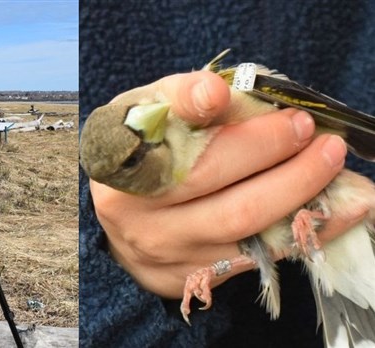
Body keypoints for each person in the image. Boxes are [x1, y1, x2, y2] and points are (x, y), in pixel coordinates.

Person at [79, 1, 375, 347]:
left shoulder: (227, 84)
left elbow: (305, 104)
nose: (150, 120)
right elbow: (251, 245)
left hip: (344, 210)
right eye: (136, 153)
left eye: (136, 113)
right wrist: (123, 263)